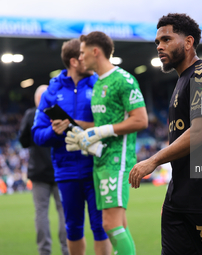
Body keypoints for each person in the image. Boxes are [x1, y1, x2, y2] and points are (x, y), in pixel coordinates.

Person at [128, 13, 202, 255]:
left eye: (166, 39)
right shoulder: (181, 81)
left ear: (188, 42)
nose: (159, 46)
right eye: (157, 42)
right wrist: (173, 194)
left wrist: (153, 160)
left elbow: (200, 132)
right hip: (179, 199)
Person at [66, 31, 148, 255]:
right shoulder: (99, 83)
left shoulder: (123, 79)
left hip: (117, 160)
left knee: (110, 225)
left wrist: (101, 131)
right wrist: (79, 132)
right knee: (117, 224)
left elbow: (141, 120)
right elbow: (100, 122)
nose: (80, 57)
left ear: (95, 51)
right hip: (100, 160)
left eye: (82, 53)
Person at [31, 39, 112, 255]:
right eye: (85, 55)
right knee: (73, 228)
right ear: (75, 61)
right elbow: (37, 135)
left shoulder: (99, 85)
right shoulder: (51, 92)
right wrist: (54, 131)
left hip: (97, 168)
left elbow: (114, 124)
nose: (90, 58)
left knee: (101, 226)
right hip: (66, 171)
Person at [19, 85, 69, 255]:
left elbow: (23, 141)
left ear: (36, 99)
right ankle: (66, 248)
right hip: (59, 168)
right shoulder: (61, 112)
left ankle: (44, 251)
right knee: (64, 211)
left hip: (38, 171)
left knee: (41, 212)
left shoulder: (31, 114)